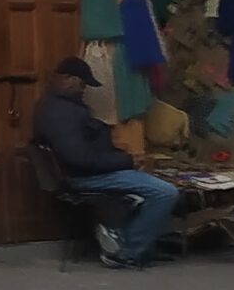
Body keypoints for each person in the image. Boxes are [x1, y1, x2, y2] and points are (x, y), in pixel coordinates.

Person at [32, 56, 177, 269]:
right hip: (83, 178)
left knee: (152, 184)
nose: (83, 90)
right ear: (69, 79)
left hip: (88, 173)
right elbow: (79, 158)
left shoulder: (61, 107)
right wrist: (126, 161)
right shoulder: (59, 113)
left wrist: (126, 159)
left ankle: (128, 242)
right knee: (165, 192)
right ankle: (125, 251)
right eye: (82, 84)